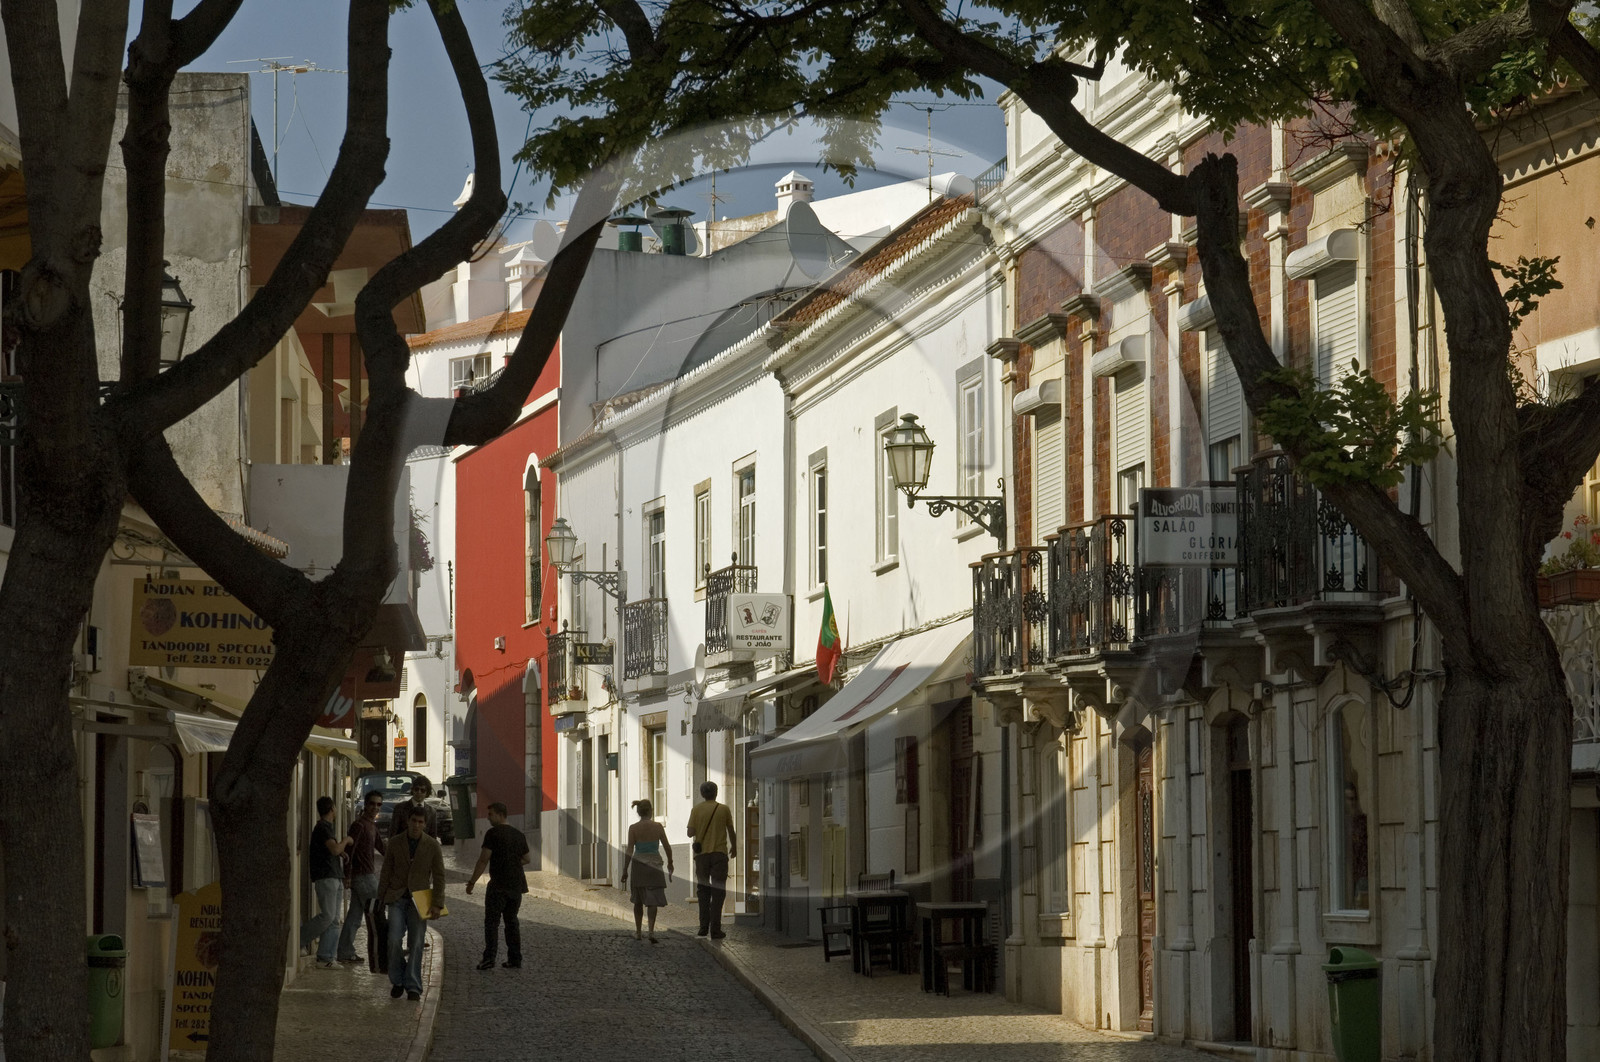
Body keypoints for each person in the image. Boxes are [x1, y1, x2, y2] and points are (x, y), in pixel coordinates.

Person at [379, 805, 445, 1001]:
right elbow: (386, 871)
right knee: (393, 939)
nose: (416, 825)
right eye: (413, 821)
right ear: (407, 821)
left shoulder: (432, 845)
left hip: (419, 900)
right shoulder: (395, 843)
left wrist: (437, 903)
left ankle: (413, 985)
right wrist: (380, 898)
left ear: (425, 824)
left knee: (416, 943)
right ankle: (398, 980)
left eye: (420, 822)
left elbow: (439, 876)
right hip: (397, 897)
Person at [466, 802, 531, 970]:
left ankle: (489, 958)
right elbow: (527, 859)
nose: (488, 818)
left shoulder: (493, 834)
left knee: (492, 923)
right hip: (516, 885)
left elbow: (483, 860)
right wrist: (512, 863)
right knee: (512, 922)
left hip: (498, 885)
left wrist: (472, 882)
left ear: (500, 815)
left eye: (491, 814)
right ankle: (515, 958)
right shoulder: (519, 835)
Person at [300, 796, 351, 968]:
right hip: (326, 877)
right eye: (335, 808)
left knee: (334, 919)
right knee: (328, 916)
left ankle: (326, 957)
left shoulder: (327, 828)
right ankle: (299, 939)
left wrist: (341, 851)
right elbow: (335, 849)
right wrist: (346, 840)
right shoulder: (323, 827)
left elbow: (332, 850)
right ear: (331, 809)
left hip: (334, 876)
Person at [336, 790, 386, 965]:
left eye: (379, 804)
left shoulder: (371, 826)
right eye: (372, 803)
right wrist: (347, 876)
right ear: (366, 804)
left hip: (365, 876)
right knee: (377, 912)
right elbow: (349, 851)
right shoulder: (359, 825)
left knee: (354, 916)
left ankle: (345, 951)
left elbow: (382, 848)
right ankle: (385, 951)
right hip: (363, 877)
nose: (375, 807)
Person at [685, 781, 737, 939]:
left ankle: (703, 927)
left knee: (703, 891)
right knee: (718, 892)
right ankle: (716, 929)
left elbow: (690, 833)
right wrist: (734, 847)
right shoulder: (723, 809)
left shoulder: (696, 810)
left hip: (701, 856)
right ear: (716, 793)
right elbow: (731, 830)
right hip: (719, 855)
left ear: (702, 794)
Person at [620, 799, 673, 943]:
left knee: (638, 900)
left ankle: (638, 932)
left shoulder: (633, 828)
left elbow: (630, 849)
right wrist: (670, 863)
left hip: (639, 866)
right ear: (650, 811)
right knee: (652, 901)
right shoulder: (658, 827)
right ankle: (651, 931)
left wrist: (625, 869)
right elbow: (667, 846)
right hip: (655, 865)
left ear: (638, 812)